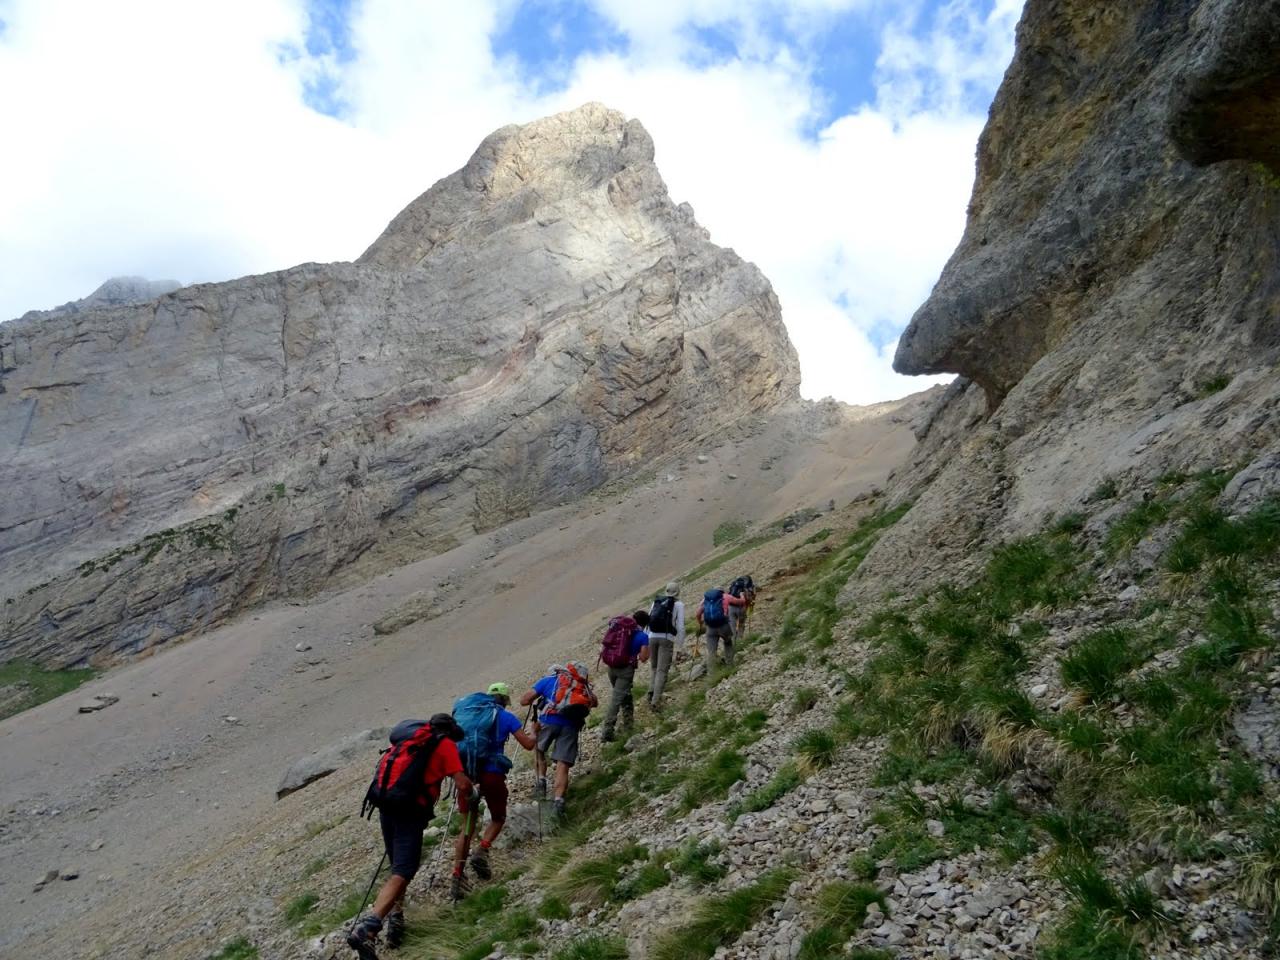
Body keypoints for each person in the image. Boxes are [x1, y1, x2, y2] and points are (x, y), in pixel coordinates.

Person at [348, 714, 474, 958]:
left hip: (387, 806)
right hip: (410, 811)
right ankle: (369, 927)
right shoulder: (443, 745)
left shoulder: (408, 743)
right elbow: (462, 784)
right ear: (449, 731)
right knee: (404, 871)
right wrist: (472, 791)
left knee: (397, 867)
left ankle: (393, 919)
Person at [450, 682, 536, 891]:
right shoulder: (505, 716)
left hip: (466, 775)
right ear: (505, 701)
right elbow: (528, 744)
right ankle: (482, 850)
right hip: (492, 774)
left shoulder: (467, 713)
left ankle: (457, 876)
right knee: (498, 817)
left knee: (467, 827)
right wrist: (534, 731)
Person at [520, 662, 596, 820]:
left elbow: (525, 700)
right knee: (563, 764)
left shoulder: (549, 680)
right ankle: (558, 801)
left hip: (548, 721)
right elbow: (594, 703)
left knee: (539, 749)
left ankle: (541, 781)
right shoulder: (581, 685)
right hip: (571, 725)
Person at [599, 610, 650, 743]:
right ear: (644, 624)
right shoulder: (642, 636)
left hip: (611, 667)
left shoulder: (621, 629)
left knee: (625, 695)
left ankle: (628, 725)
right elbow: (644, 658)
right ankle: (607, 733)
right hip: (625, 670)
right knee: (616, 700)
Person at [646, 583, 685, 711]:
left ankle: (651, 691)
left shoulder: (656, 601)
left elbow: (649, 620)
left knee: (654, 667)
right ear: (678, 592)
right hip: (666, 638)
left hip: (652, 637)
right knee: (662, 671)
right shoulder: (679, 605)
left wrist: (647, 639)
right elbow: (680, 626)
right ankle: (656, 701)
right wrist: (679, 646)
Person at [696, 586, 747, 670]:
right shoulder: (726, 596)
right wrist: (742, 595)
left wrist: (700, 622)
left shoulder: (706, 599)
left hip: (710, 628)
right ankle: (729, 665)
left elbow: (698, 613)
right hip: (723, 625)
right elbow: (741, 602)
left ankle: (711, 673)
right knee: (728, 643)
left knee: (711, 651)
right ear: (722, 591)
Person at [727, 575, 756, 645]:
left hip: (731, 607)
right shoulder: (748, 586)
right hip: (742, 608)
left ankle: (732, 643)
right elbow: (750, 599)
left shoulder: (734, 585)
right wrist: (751, 603)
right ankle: (740, 641)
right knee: (741, 624)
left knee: (732, 625)